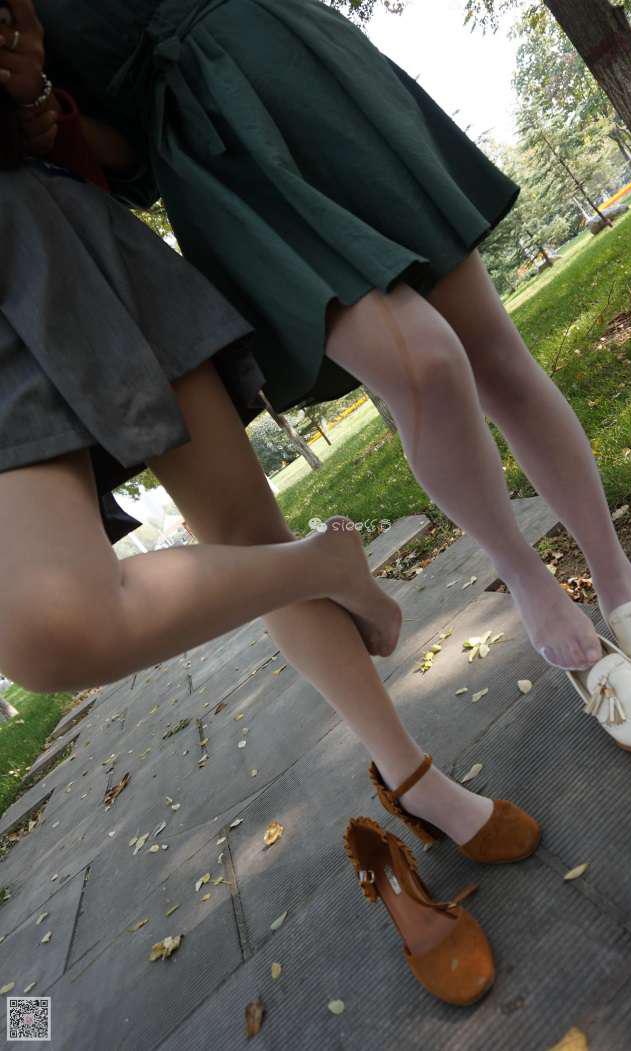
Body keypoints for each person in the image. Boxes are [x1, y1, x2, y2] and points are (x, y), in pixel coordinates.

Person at [0, 0, 542, 916]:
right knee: (50, 629)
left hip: (46, 226)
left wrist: (31, 98)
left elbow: (89, 137)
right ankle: (326, 564)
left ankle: (415, 781)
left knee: (243, 527)